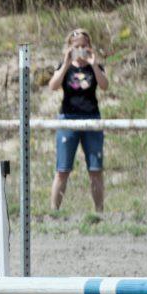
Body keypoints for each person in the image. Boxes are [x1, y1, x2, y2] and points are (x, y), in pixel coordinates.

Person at [47, 28, 109, 212]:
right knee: (62, 170)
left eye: (84, 46)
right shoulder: (64, 65)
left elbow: (104, 85)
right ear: (70, 47)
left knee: (95, 170)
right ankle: (54, 212)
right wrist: (66, 63)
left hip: (92, 119)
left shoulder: (94, 66)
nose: (80, 49)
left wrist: (94, 64)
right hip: (68, 119)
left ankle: (99, 212)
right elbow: (53, 85)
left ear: (89, 46)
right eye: (76, 46)